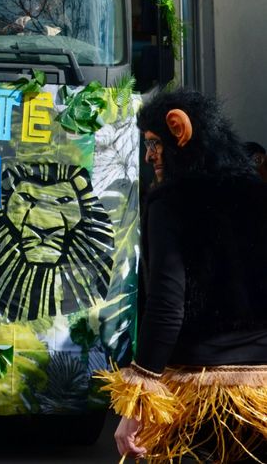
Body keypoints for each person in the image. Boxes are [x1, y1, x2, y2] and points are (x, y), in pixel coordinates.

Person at [98, 88, 267, 462]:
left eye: (154, 144)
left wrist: (136, 404)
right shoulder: (259, 193)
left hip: (200, 395)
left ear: (180, 132)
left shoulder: (169, 203)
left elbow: (165, 306)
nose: (148, 156)